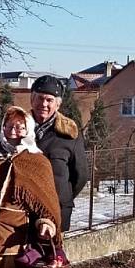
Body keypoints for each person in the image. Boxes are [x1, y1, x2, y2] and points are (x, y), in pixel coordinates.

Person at [0, 106, 62, 268]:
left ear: (28, 129)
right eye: (9, 126)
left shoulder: (37, 161)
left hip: (12, 236)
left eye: (19, 127)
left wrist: (46, 222)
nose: (13, 131)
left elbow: (46, 202)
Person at [29, 75, 89, 230]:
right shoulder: (19, 130)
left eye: (49, 100)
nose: (44, 104)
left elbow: (80, 176)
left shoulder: (69, 135)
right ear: (31, 100)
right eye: (40, 98)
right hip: (23, 211)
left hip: (56, 211)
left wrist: (62, 195)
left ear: (58, 104)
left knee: (53, 254)